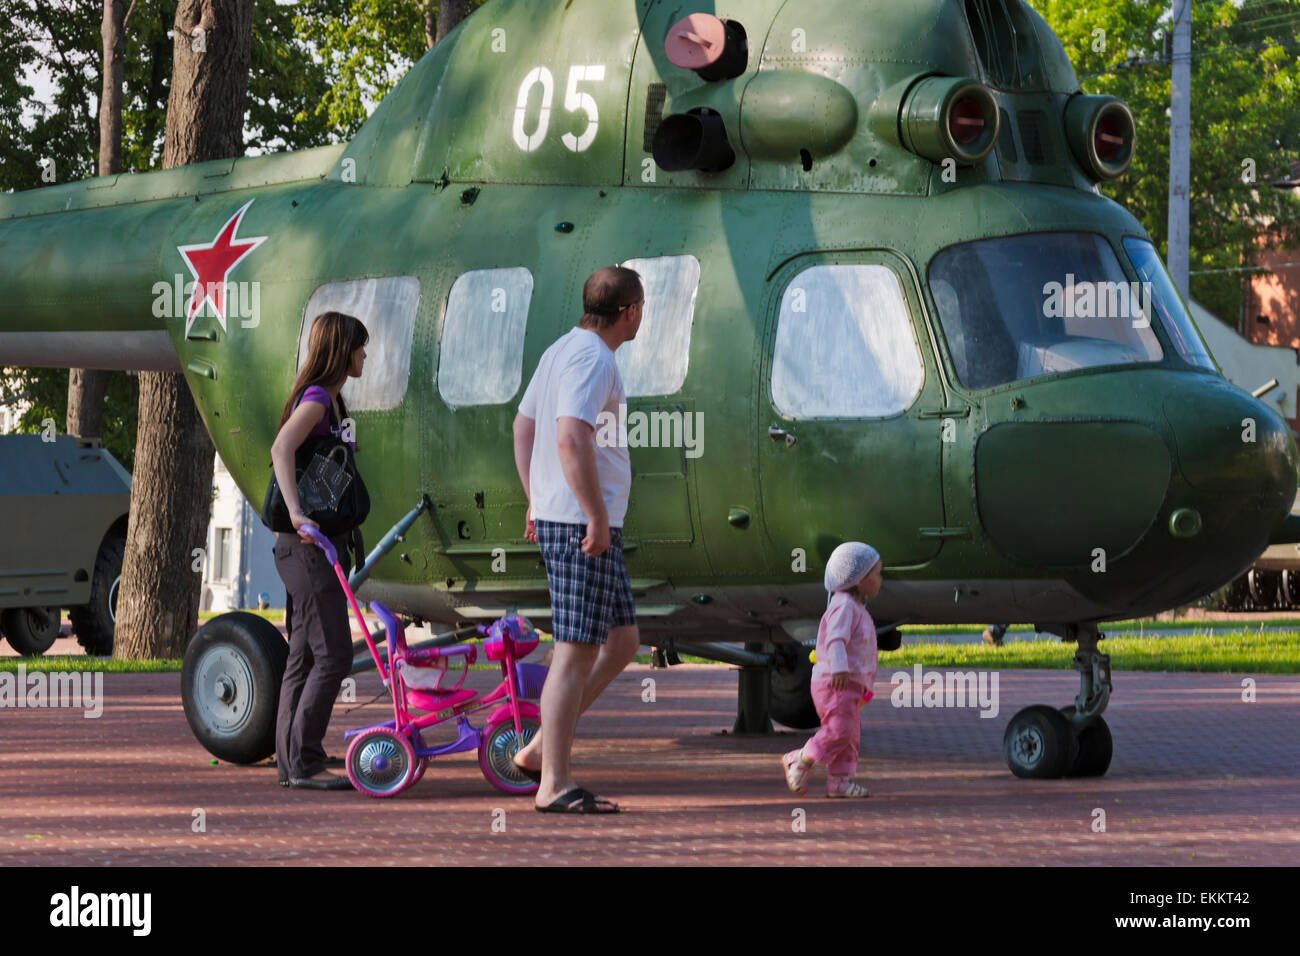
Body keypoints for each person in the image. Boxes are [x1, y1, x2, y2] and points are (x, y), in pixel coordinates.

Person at [510, 265, 644, 813]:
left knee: (624, 641)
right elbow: (568, 436)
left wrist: (536, 498)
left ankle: (545, 747)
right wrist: (591, 514)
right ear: (630, 311)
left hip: (572, 518)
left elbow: (523, 428)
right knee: (574, 652)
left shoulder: (562, 349)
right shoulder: (593, 358)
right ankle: (554, 785)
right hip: (583, 525)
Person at [270, 311, 369, 791]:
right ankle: (305, 760)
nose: (364, 356)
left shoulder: (328, 401)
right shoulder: (316, 399)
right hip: (306, 547)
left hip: (300, 550)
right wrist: (296, 512)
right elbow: (280, 447)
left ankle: (292, 762)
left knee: (304, 657)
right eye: (359, 347)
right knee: (334, 657)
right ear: (341, 349)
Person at [783, 542, 883, 798]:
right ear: (859, 580)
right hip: (835, 682)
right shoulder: (844, 606)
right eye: (877, 574)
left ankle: (839, 781)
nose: (880, 580)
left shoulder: (856, 607)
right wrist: (839, 669)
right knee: (839, 730)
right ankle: (799, 759)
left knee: (849, 735)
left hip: (850, 685)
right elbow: (835, 640)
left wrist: (865, 687)